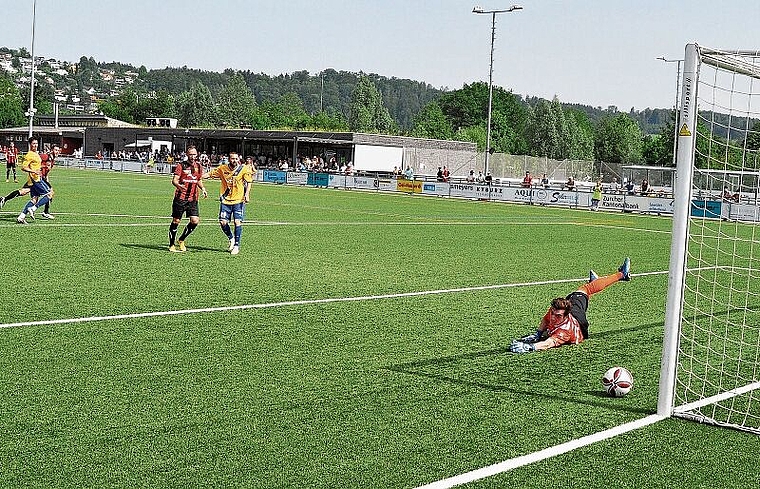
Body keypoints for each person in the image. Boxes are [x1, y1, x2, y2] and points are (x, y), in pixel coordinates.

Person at [509, 258, 631, 353]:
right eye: (553, 312)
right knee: (581, 292)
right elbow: (545, 320)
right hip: (569, 319)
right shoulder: (554, 311)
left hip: (578, 322)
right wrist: (538, 334)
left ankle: (621, 275)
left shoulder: (565, 331)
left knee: (584, 290)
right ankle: (596, 282)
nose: (553, 316)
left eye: (558, 315)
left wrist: (529, 347)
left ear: (567, 315)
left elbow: (548, 344)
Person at [203, 151, 253, 255]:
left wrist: (247, 194)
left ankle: (236, 246)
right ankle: (231, 238)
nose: (234, 160)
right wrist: (197, 177)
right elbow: (210, 174)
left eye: (236, 158)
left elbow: (248, 182)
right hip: (225, 200)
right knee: (223, 222)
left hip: (238, 200)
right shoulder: (222, 168)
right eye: (232, 158)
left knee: (237, 222)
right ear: (228, 159)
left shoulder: (243, 169)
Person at [168, 145, 207, 253]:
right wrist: (178, 186)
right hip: (180, 198)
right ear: (187, 154)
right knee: (176, 221)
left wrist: (203, 188)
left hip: (193, 199)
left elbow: (198, 180)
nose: (193, 156)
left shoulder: (199, 166)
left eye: (194, 154)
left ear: (197, 154)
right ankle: (171, 244)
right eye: (190, 154)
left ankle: (181, 239)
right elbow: (174, 180)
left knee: (195, 221)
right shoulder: (181, 166)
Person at [14, 136, 54, 225]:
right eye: (33, 144)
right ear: (30, 144)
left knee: (34, 199)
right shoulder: (29, 155)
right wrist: (34, 171)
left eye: (36, 143)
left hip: (34, 179)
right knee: (50, 194)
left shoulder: (36, 154)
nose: (35, 145)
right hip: (35, 179)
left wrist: (42, 167)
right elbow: (23, 167)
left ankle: (21, 217)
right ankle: (33, 208)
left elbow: (36, 165)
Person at [38, 145, 60, 219]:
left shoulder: (52, 158)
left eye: (58, 150)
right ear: (52, 150)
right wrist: (38, 169)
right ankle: (44, 212)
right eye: (56, 150)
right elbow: (37, 159)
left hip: (43, 178)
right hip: (38, 177)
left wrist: (46, 178)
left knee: (25, 191)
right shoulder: (46, 156)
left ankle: (5, 199)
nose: (57, 152)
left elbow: (47, 169)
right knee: (49, 193)